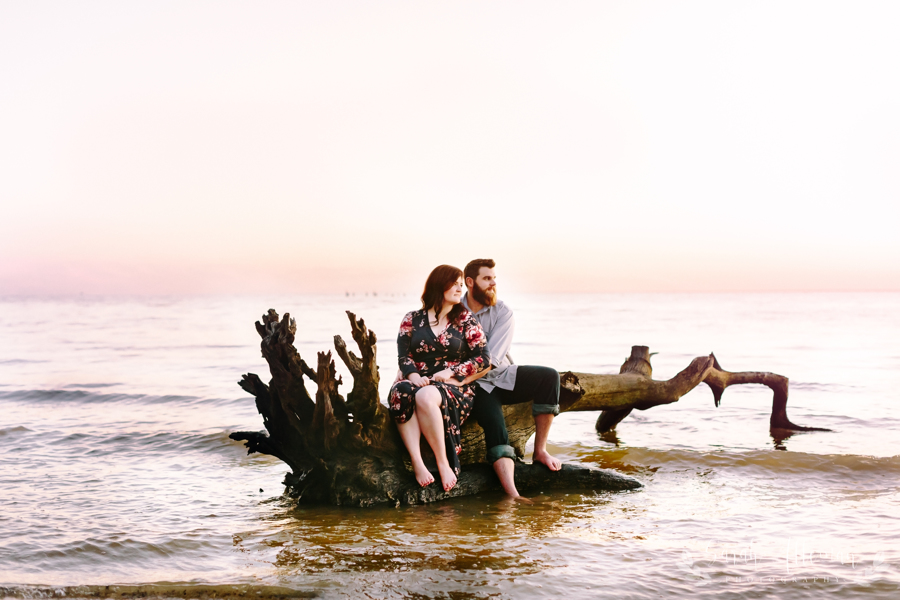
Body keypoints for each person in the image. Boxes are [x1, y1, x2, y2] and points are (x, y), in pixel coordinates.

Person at [463, 258, 562, 499]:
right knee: (496, 425)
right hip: (475, 385)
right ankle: (513, 495)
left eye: (494, 279)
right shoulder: (453, 309)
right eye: (486, 279)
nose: (493, 283)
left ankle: (540, 451)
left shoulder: (503, 311)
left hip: (501, 375)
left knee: (549, 377)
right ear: (469, 282)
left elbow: (492, 360)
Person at [388, 264, 491, 492]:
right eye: (454, 283)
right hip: (417, 380)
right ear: (439, 284)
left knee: (425, 397)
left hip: (453, 385)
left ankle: (443, 463)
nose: (459, 288)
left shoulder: (465, 319)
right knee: (400, 392)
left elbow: (483, 358)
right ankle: (417, 462)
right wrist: (413, 375)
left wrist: (453, 372)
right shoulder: (411, 319)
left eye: (460, 285)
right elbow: (403, 356)